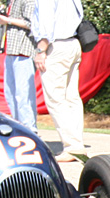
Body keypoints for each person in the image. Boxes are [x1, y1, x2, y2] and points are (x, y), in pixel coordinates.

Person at [31, 0, 84, 161]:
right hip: (73, 42)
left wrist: (41, 50)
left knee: (56, 99)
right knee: (71, 97)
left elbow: (46, 25)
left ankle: (72, 146)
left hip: (56, 46)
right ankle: (77, 144)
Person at [1, 0, 37, 132]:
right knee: (10, 94)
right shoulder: (11, 1)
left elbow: (33, 23)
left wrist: (7, 20)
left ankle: (30, 130)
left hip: (24, 51)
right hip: (10, 50)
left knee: (24, 95)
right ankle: (18, 128)